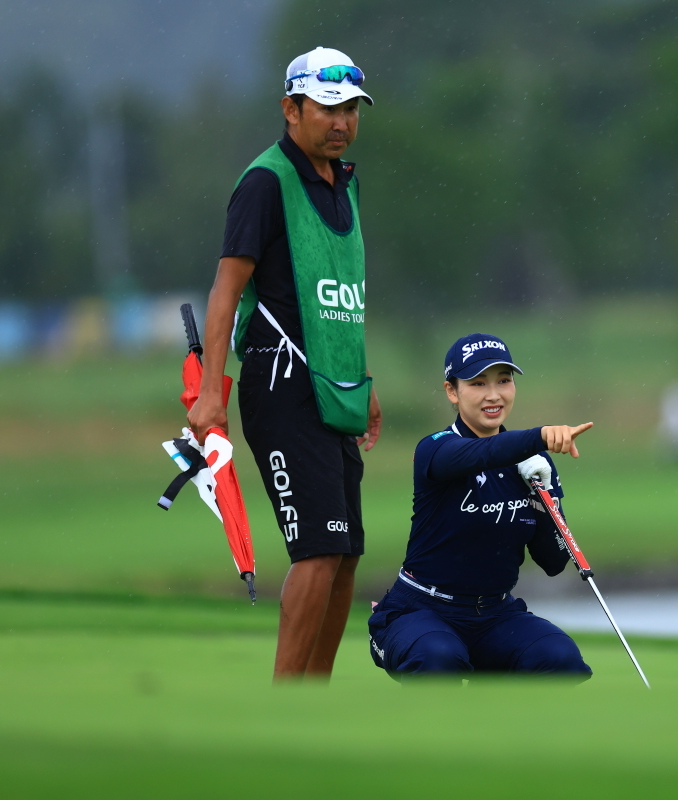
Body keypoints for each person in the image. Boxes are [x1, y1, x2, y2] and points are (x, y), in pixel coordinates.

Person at [186, 47, 382, 681]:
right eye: (326, 108)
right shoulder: (265, 182)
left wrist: (364, 379)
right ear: (290, 109)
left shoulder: (342, 185)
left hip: (333, 391)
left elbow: (337, 297)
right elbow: (226, 292)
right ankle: (285, 702)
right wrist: (211, 393)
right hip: (280, 388)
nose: (340, 121)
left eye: (350, 109)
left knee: (347, 554)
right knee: (319, 552)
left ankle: (312, 702)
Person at [367, 333, 594, 682]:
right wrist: (539, 437)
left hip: (495, 615)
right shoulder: (436, 450)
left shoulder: (533, 464)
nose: (493, 395)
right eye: (477, 383)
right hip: (421, 611)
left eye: (503, 381)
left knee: (559, 659)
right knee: (438, 657)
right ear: (452, 391)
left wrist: (545, 495)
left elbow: (552, 562)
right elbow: (483, 453)